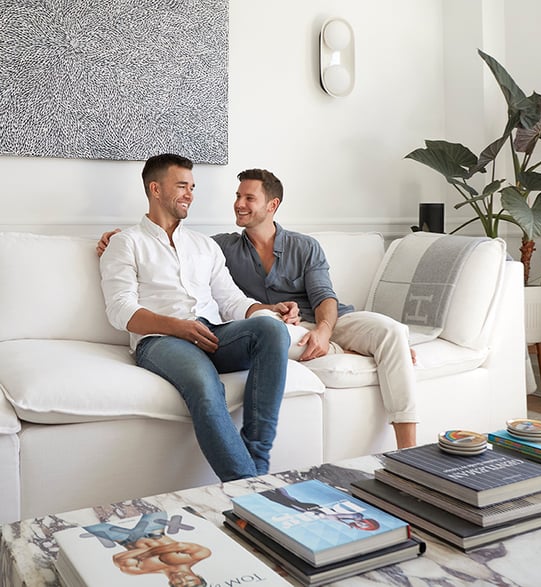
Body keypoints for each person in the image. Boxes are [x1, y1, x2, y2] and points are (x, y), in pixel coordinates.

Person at [98, 168, 418, 449]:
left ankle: (408, 451)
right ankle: (363, 351)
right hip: (282, 327)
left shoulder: (304, 246)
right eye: (238, 196)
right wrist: (116, 238)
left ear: (272, 205)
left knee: (389, 331)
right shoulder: (223, 246)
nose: (238, 204)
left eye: (249, 198)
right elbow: (173, 245)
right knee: (274, 330)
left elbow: (325, 298)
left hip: (331, 320)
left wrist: (323, 331)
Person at [99, 154, 295, 482]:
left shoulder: (205, 245)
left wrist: (267, 310)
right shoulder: (126, 243)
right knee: (205, 386)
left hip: (212, 332)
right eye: (181, 186)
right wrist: (177, 327)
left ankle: (257, 465)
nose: (190, 193)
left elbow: (231, 300)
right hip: (162, 341)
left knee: (272, 331)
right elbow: (120, 310)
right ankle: (249, 489)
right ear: (155, 189)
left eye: (192, 187)